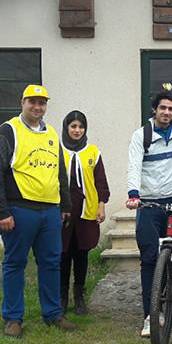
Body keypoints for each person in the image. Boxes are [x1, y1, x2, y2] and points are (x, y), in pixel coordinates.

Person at [0, 84, 76, 339]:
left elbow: (60, 172)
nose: (38, 107)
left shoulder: (51, 134)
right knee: (15, 263)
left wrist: (65, 206)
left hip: (49, 211)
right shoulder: (8, 131)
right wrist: (1, 212)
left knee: (51, 263)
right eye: (32, 102)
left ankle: (53, 313)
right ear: (22, 102)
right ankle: (13, 318)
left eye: (42, 102)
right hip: (19, 209)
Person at [126, 90, 172, 338]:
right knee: (149, 259)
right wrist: (133, 194)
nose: (167, 112)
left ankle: (170, 287)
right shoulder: (141, 135)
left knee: (171, 253)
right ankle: (150, 314)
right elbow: (134, 165)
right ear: (154, 109)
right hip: (148, 204)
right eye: (163, 108)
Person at [59, 110, 110, 315]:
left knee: (81, 254)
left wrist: (101, 205)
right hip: (63, 209)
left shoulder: (93, 152)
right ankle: (61, 298)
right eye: (73, 126)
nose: (77, 130)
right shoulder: (56, 150)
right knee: (63, 254)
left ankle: (79, 297)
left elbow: (100, 182)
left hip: (85, 209)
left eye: (81, 127)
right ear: (66, 127)